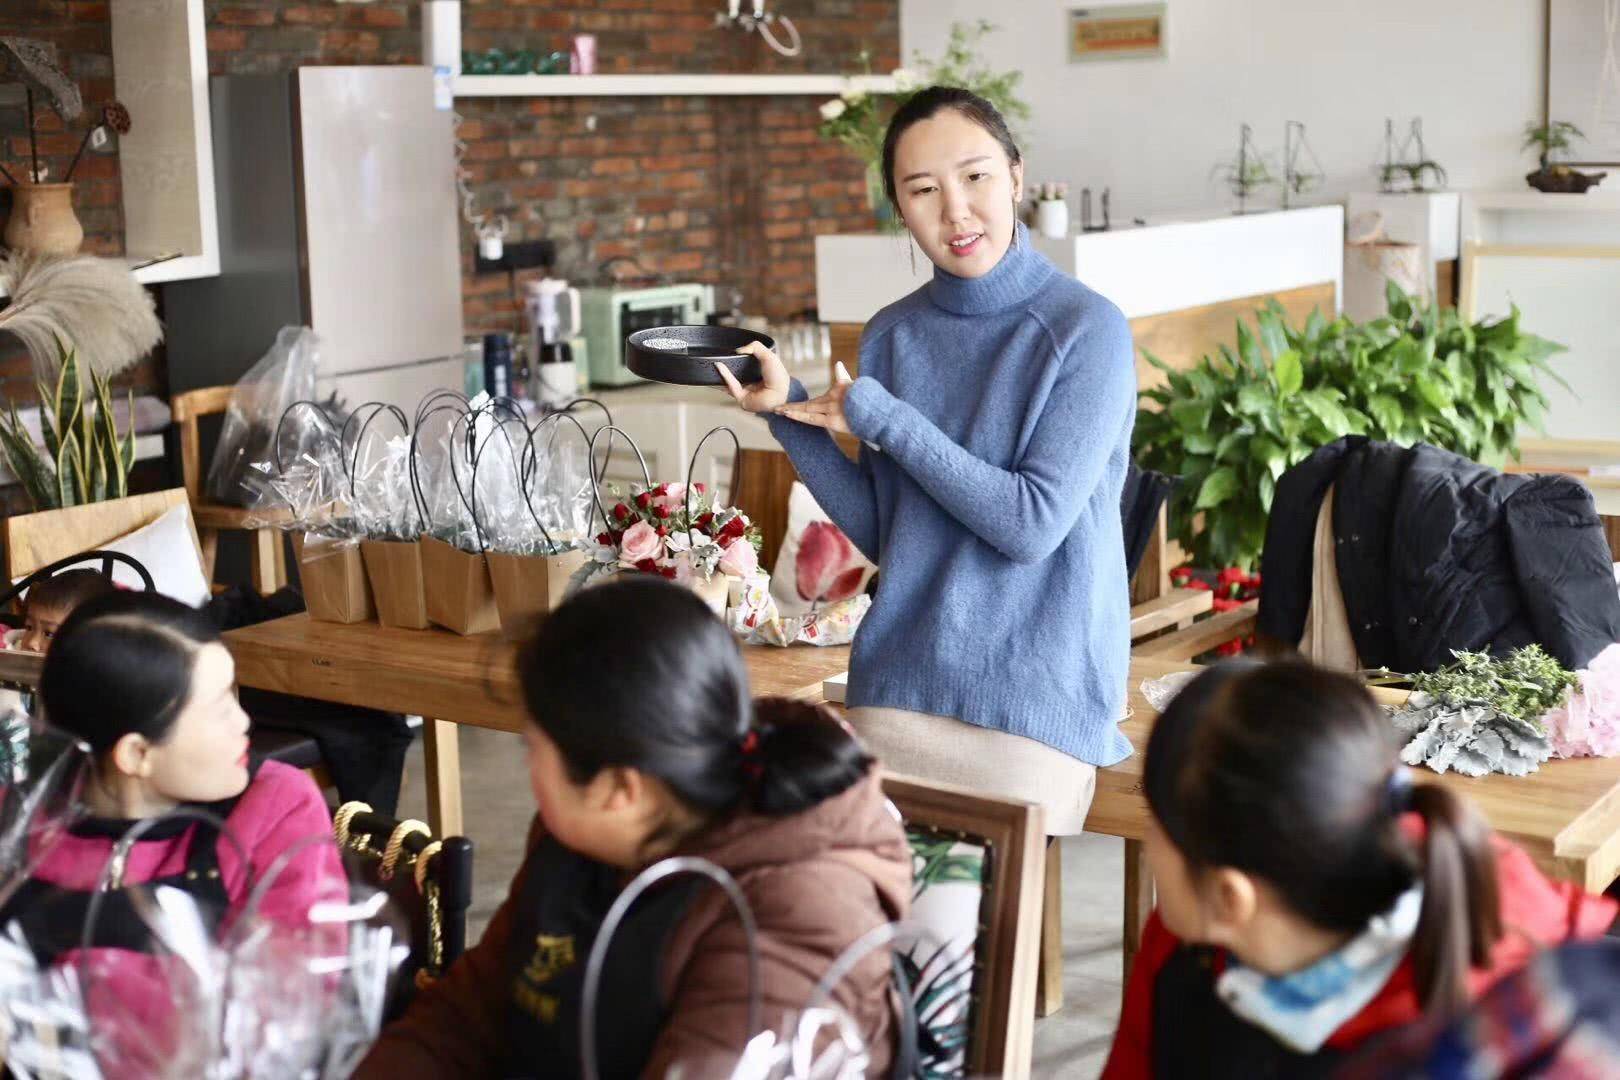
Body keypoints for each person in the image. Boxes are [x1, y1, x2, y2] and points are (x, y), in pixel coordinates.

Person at [718, 85, 1137, 833]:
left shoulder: (1087, 331)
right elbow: (891, 532)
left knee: (967, 946)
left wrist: (885, 418)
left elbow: (1030, 524)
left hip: (1032, 706)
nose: (956, 211)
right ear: (899, 210)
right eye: (923, 189)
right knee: (856, 935)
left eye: (975, 176)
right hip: (896, 690)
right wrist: (790, 414)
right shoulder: (891, 337)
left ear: (1016, 175)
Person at [358, 576, 911, 1078]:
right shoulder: (583, 839)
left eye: (533, 748)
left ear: (621, 789)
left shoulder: (796, 917)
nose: (527, 768)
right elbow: (469, 1015)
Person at [1102, 661, 1619, 1079]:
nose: (1151, 841)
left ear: (1231, 894)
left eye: (1158, 821)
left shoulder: (1532, 1029)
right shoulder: (1189, 941)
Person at [0, 591, 345, 1073]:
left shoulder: (274, 808)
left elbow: (297, 1007)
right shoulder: (21, 814)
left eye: (235, 694)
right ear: (137, 754)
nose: (244, 722)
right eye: (219, 707)